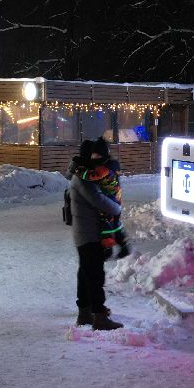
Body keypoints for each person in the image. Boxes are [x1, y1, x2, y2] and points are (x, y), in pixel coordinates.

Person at [68, 139, 123, 331]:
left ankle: (84, 313)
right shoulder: (83, 179)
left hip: (84, 232)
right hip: (88, 234)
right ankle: (99, 316)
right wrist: (117, 208)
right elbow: (99, 200)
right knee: (94, 275)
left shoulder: (81, 174)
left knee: (85, 273)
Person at [81, 144, 131, 259]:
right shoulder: (111, 165)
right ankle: (124, 247)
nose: (93, 156)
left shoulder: (104, 168)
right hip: (114, 201)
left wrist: (78, 170)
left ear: (101, 155)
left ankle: (106, 250)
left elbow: (91, 176)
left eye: (95, 154)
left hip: (108, 203)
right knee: (115, 225)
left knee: (105, 226)